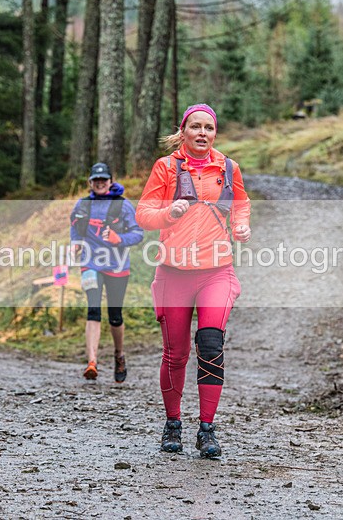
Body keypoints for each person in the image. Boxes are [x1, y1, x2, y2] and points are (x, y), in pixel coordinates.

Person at [135, 103, 251, 458]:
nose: (203, 133)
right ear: (183, 131)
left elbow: (241, 203)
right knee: (176, 353)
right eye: (196, 127)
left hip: (217, 270)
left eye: (209, 128)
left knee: (211, 344)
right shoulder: (166, 168)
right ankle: (173, 423)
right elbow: (143, 214)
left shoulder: (228, 168)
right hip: (174, 273)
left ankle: (207, 429)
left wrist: (242, 225)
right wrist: (168, 213)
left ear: (215, 133)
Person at [70, 162, 144, 382]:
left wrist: (118, 239)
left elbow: (138, 234)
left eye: (104, 179)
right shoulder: (82, 205)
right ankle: (91, 362)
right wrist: (75, 243)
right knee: (93, 309)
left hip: (117, 265)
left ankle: (119, 354)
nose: (100, 183)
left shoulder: (122, 205)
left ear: (111, 181)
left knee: (115, 316)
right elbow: (74, 226)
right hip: (90, 263)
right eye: (96, 180)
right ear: (90, 183)